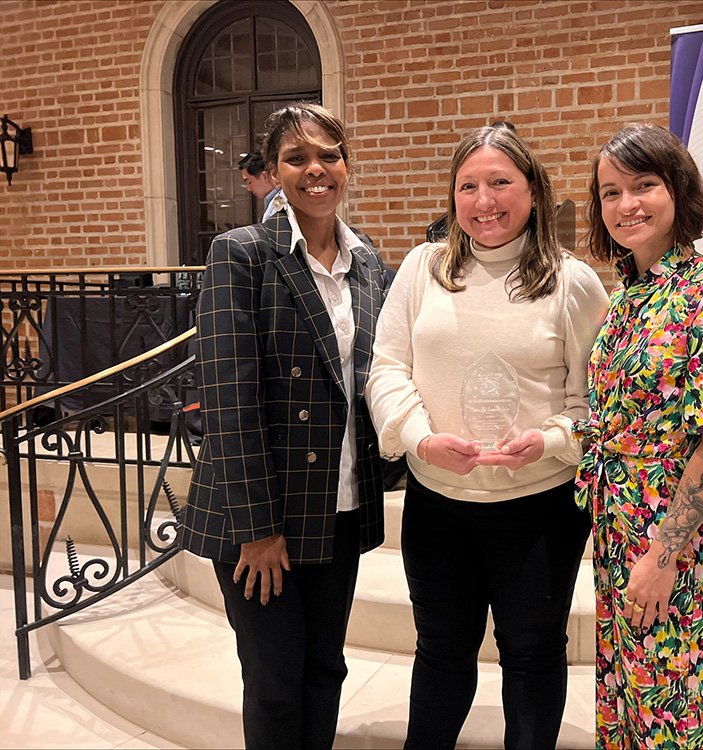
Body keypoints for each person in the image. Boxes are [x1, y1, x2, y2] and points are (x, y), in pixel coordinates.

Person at [366, 123, 609, 749]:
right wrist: (420, 438)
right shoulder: (424, 267)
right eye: (468, 185)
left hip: (538, 511)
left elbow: (599, 404)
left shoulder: (571, 281)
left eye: (501, 182)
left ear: (533, 192)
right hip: (436, 507)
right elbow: (388, 370)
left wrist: (550, 440)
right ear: (452, 196)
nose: (484, 200)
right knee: (442, 652)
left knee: (531, 656)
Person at [180, 103, 392, 750]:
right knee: (275, 682)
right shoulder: (241, 254)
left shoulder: (370, 263)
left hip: (340, 502)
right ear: (273, 172)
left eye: (329, 154)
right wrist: (257, 529)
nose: (316, 169)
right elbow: (228, 396)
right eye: (297, 158)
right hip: (262, 515)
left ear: (347, 165)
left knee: (325, 668)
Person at [576, 123, 703, 749]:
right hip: (618, 528)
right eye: (610, 193)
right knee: (628, 702)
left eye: (643, 186)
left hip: (673, 542)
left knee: (676, 713)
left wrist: (663, 556)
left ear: (677, 191)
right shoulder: (630, 294)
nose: (625, 204)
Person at [238, 150, 283, 220]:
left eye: (249, 182)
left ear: (264, 176)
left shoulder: (282, 201)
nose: (248, 188)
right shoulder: (272, 200)